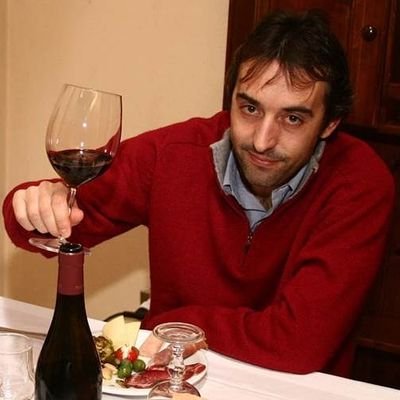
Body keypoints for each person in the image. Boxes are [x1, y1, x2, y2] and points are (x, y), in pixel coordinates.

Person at [2, 10, 395, 377]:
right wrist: (35, 204)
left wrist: (177, 325)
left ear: (329, 124)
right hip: (170, 378)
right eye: (250, 109)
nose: (262, 140)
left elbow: (299, 342)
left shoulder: (360, 182)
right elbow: (51, 224)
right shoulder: (173, 154)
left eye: (292, 118)